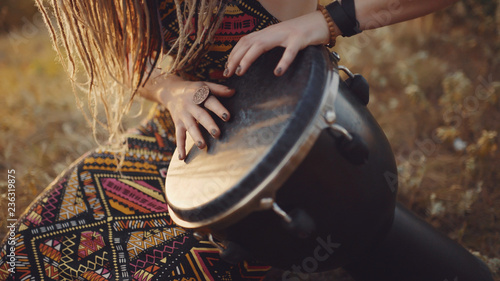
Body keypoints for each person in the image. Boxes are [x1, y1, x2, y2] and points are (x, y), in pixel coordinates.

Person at [0, 0, 492, 280]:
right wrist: (172, 92)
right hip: (186, 155)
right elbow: (129, 54)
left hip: (297, 155)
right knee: (29, 254)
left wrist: (327, 20)